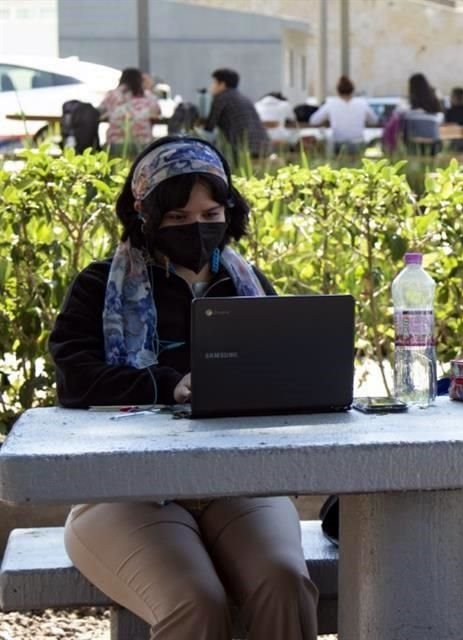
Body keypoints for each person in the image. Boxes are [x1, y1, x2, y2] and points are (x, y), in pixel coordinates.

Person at [48, 136, 319, 640]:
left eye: (211, 212)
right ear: (145, 216)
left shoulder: (247, 284)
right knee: (195, 601)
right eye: (177, 219)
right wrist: (168, 385)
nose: (197, 228)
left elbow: (285, 374)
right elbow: (75, 380)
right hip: (123, 490)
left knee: (283, 582)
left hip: (239, 483)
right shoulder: (100, 285)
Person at [204, 68, 269, 160]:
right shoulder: (244, 98)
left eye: (214, 82)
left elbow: (209, 127)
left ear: (222, 84)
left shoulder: (221, 97)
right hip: (263, 146)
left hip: (241, 148)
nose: (211, 86)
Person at [308, 75, 377, 156]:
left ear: (337, 91)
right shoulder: (362, 103)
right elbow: (374, 120)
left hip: (338, 145)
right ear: (352, 90)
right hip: (358, 144)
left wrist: (328, 119)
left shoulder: (331, 104)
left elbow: (313, 121)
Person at [98, 67, 160, 155]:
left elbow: (100, 112)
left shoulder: (111, 95)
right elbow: (157, 113)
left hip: (116, 143)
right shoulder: (148, 96)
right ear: (140, 81)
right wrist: (149, 86)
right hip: (143, 143)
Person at [398, 72, 443, 155]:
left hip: (413, 147)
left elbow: (403, 132)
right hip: (434, 147)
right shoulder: (435, 108)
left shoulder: (407, 111)